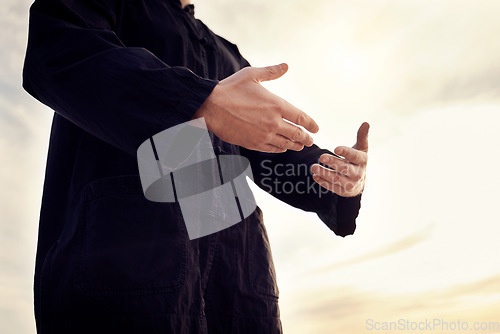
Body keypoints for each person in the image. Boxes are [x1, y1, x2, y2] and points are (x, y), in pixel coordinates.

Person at [22, 0, 369, 333]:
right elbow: (56, 51)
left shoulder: (226, 54)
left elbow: (275, 153)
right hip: (123, 270)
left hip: (239, 289)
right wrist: (200, 103)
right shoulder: (115, 4)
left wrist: (338, 177)